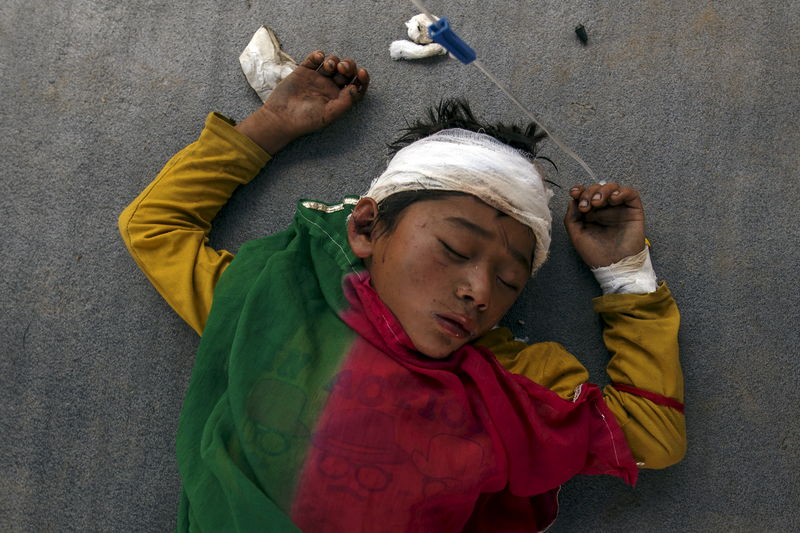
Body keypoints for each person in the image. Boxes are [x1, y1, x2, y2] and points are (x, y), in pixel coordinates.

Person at [119, 50, 685, 532]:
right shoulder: (280, 302)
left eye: (511, 280)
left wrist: (624, 274)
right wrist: (273, 123)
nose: (479, 291)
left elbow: (653, 433)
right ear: (366, 229)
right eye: (455, 251)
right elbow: (154, 228)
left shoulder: (513, 382)